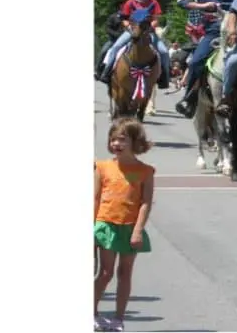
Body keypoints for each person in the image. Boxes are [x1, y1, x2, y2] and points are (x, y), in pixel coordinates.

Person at [94, 118, 156, 332]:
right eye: (113, 140)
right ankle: (91, 312)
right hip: (106, 224)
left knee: (125, 273)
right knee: (105, 272)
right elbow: (94, 198)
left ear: (135, 142)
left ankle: (118, 318)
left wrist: (138, 230)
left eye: (122, 140)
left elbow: (146, 202)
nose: (116, 144)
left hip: (130, 226)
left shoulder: (146, 171)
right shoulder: (102, 167)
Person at [174, 0, 237, 118]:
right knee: (196, 61)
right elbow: (181, 1)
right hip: (212, 35)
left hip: (235, 35)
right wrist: (202, 6)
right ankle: (189, 99)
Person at [97, 0, 171, 89]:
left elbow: (156, 19)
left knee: (164, 51)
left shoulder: (153, 2)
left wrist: (151, 27)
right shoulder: (130, 2)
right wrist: (128, 26)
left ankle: (165, 77)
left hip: (148, 31)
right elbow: (124, 19)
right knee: (115, 47)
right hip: (132, 30)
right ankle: (106, 72)